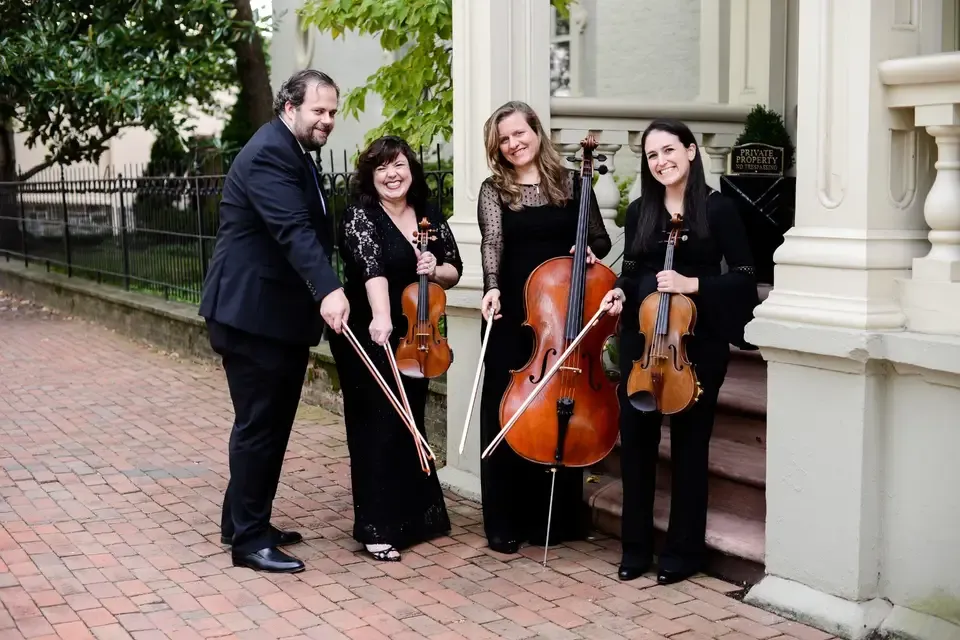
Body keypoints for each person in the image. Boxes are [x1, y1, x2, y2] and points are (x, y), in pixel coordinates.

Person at [198, 69, 349, 574]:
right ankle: (249, 541)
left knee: (268, 422)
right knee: (260, 426)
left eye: (332, 111)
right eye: (318, 111)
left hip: (270, 317)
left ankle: (240, 520)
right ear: (290, 107)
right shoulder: (269, 152)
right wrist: (329, 288)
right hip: (250, 317)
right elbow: (293, 230)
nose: (327, 120)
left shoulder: (292, 150)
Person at [600, 118, 760, 585]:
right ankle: (635, 547)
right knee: (637, 448)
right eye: (652, 155)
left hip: (696, 344)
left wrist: (694, 284)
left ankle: (683, 552)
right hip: (644, 344)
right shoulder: (640, 211)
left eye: (670, 150)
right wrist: (620, 293)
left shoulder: (719, 210)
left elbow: (746, 277)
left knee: (690, 450)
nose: (662, 161)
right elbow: (631, 272)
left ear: (691, 151)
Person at [476, 101, 612, 555]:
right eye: (504, 140)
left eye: (520, 133)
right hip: (514, 314)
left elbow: (600, 239)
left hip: (560, 317)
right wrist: (491, 287)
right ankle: (503, 521)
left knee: (559, 410)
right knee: (507, 411)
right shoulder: (495, 189)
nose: (514, 144)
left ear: (537, 131)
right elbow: (492, 242)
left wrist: (590, 254)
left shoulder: (574, 183)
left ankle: (553, 519)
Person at [327, 136, 460, 561]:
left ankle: (417, 517)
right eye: (381, 168)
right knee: (377, 424)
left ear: (411, 169)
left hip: (417, 332)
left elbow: (453, 269)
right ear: (370, 176)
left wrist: (433, 268)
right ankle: (376, 526)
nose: (391, 174)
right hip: (369, 328)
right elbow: (373, 271)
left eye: (398, 164)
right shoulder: (360, 216)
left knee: (410, 419)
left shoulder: (427, 214)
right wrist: (381, 317)